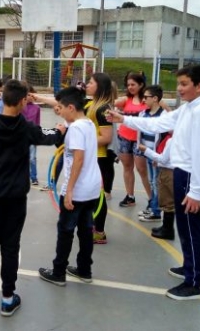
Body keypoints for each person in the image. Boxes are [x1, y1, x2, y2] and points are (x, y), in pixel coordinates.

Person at [107, 65, 200, 300]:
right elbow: (159, 123)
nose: (179, 89)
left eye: (185, 84)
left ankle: (194, 281)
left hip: (190, 176)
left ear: (199, 86)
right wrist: (124, 119)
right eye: (179, 84)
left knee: (190, 229)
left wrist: (196, 192)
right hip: (183, 172)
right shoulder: (190, 107)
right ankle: (191, 268)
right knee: (186, 227)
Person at [0, 79, 65, 317]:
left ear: (2, 98)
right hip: (15, 198)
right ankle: (8, 298)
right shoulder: (26, 128)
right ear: (23, 101)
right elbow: (48, 135)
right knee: (10, 247)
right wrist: (61, 130)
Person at [38, 87, 102, 287]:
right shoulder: (88, 123)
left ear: (71, 107)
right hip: (92, 188)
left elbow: (78, 159)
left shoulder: (75, 129)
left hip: (78, 190)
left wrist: (70, 190)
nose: (59, 111)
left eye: (61, 108)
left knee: (65, 231)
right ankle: (84, 269)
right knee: (85, 230)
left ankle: (58, 272)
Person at [83, 73, 116, 245]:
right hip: (92, 156)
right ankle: (93, 227)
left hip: (100, 158)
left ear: (99, 87)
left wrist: (83, 141)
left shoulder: (103, 109)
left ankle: (99, 232)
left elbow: (106, 137)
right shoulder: (93, 105)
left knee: (98, 197)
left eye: (90, 83)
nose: (87, 85)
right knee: (92, 195)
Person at [114, 72, 151, 207]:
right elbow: (108, 102)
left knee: (142, 170)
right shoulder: (125, 100)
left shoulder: (148, 100)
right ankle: (130, 197)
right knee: (127, 167)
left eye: (133, 84)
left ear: (141, 85)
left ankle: (152, 200)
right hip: (124, 138)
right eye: (128, 85)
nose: (130, 87)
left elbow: (165, 112)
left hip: (140, 140)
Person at [137, 85, 167, 223]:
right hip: (147, 153)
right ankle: (153, 207)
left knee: (156, 182)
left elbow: (164, 139)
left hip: (156, 155)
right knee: (152, 181)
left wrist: (157, 155)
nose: (143, 100)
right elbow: (140, 131)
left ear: (155, 99)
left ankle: (156, 212)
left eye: (146, 97)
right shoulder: (144, 114)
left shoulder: (163, 116)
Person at [138, 132, 175, 240]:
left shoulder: (172, 140)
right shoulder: (174, 139)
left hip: (168, 172)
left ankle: (168, 230)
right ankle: (166, 227)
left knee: (167, 202)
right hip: (170, 170)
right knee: (166, 201)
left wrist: (146, 150)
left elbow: (164, 159)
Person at [21, 85, 41, 186]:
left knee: (32, 158)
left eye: (31, 95)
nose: (29, 97)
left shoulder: (37, 108)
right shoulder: (21, 107)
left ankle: (34, 177)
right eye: (27, 95)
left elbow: (37, 123)